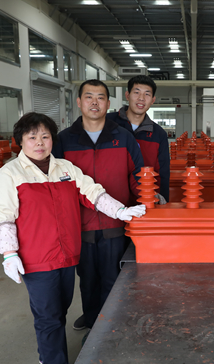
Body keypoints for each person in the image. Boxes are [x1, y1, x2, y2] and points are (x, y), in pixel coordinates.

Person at [0, 112, 145, 364]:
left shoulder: (66, 169)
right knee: (48, 316)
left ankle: (47, 352)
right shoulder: (8, 175)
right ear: (20, 141)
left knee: (58, 311)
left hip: (67, 255)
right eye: (32, 137)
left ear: (53, 139)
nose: (39, 142)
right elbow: (4, 219)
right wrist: (9, 254)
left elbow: (94, 193)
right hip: (37, 260)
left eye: (45, 136)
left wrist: (120, 211)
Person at [52, 79, 144, 332]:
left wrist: (146, 202)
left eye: (100, 97)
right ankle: (93, 321)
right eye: (89, 97)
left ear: (108, 103)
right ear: (79, 102)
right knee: (87, 278)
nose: (95, 102)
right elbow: (55, 182)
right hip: (80, 224)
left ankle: (111, 325)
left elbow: (137, 176)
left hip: (116, 221)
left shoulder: (123, 137)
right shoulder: (64, 140)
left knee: (114, 277)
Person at [107, 75, 170, 203]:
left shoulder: (159, 134)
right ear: (127, 95)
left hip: (144, 202)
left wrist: (161, 202)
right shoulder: (107, 123)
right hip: (110, 201)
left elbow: (162, 173)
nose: (141, 98)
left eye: (147, 94)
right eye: (136, 92)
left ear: (153, 100)